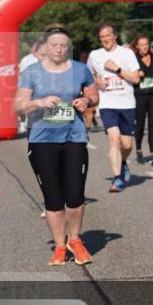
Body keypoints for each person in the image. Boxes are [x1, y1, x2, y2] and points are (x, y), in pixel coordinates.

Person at [13, 25, 99, 266]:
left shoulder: (81, 70)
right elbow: (18, 106)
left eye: (63, 45)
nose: (59, 49)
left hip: (74, 137)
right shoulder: (32, 72)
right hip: (42, 140)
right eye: (54, 45)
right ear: (45, 47)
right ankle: (60, 246)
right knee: (53, 198)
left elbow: (94, 96)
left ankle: (75, 239)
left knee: (74, 195)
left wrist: (86, 100)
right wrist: (39, 101)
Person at [87, 24, 141, 193]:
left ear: (115, 35)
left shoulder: (127, 54)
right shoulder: (94, 55)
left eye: (108, 35)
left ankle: (123, 162)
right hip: (107, 104)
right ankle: (117, 178)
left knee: (127, 144)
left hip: (127, 104)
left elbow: (136, 78)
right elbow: (88, 76)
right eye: (102, 37)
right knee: (114, 138)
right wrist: (96, 82)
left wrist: (116, 69)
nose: (105, 39)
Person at [132, 35, 153, 164]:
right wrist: (136, 74)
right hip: (139, 95)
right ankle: (138, 149)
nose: (144, 47)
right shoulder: (133, 59)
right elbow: (129, 74)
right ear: (137, 46)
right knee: (139, 124)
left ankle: (152, 153)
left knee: (152, 124)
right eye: (141, 45)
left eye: (146, 44)